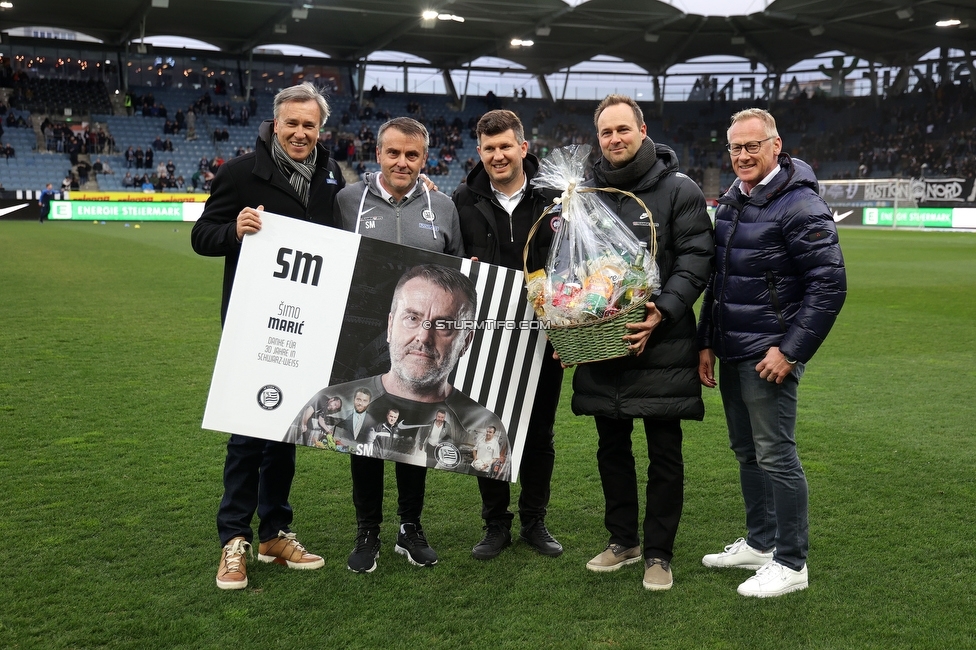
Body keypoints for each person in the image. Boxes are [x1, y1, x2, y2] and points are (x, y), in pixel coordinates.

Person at [190, 82, 346, 591]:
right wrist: (233, 230)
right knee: (247, 432)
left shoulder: (330, 175)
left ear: (321, 129)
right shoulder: (239, 173)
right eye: (292, 123)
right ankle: (233, 538)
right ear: (275, 124)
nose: (301, 132)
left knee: (288, 430)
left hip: (306, 324)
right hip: (253, 324)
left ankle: (274, 531)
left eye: (310, 125)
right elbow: (201, 237)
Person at [697, 108, 846, 598]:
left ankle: (792, 562)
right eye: (735, 147)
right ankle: (761, 545)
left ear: (775, 146)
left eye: (751, 146)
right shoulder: (734, 202)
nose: (742, 155)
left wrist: (790, 350)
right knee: (747, 453)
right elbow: (719, 282)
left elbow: (829, 287)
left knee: (777, 456)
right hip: (732, 349)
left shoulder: (801, 205)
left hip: (769, 356)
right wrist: (707, 342)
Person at [574, 94, 714, 591]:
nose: (614, 139)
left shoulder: (680, 190)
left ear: (642, 130)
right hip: (604, 342)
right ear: (599, 139)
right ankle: (622, 540)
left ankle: (658, 552)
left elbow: (698, 257)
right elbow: (572, 267)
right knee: (610, 448)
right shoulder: (582, 193)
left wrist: (665, 309)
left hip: (663, 344)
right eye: (606, 133)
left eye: (622, 130)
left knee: (664, 452)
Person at [289, 265, 508, 575]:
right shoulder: (330, 401)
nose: (424, 336)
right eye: (412, 318)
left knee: (413, 452)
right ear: (390, 325)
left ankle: (409, 529)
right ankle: (367, 532)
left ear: (465, 339)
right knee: (364, 450)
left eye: (443, 324)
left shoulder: (484, 424)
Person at [332, 118, 465, 573]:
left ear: (425, 159)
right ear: (378, 154)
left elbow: (460, 272)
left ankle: (410, 529)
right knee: (363, 439)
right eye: (393, 153)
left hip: (420, 342)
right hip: (361, 342)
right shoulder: (347, 201)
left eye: (412, 155)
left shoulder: (443, 206)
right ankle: (366, 530)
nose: (402, 162)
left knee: (414, 435)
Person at [452, 109, 565, 560]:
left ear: (523, 147)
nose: (498, 155)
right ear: (479, 151)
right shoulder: (463, 199)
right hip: (485, 337)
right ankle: (495, 523)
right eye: (489, 148)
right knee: (487, 430)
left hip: (543, 335)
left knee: (539, 434)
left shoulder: (556, 196)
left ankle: (535, 521)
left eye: (505, 146)